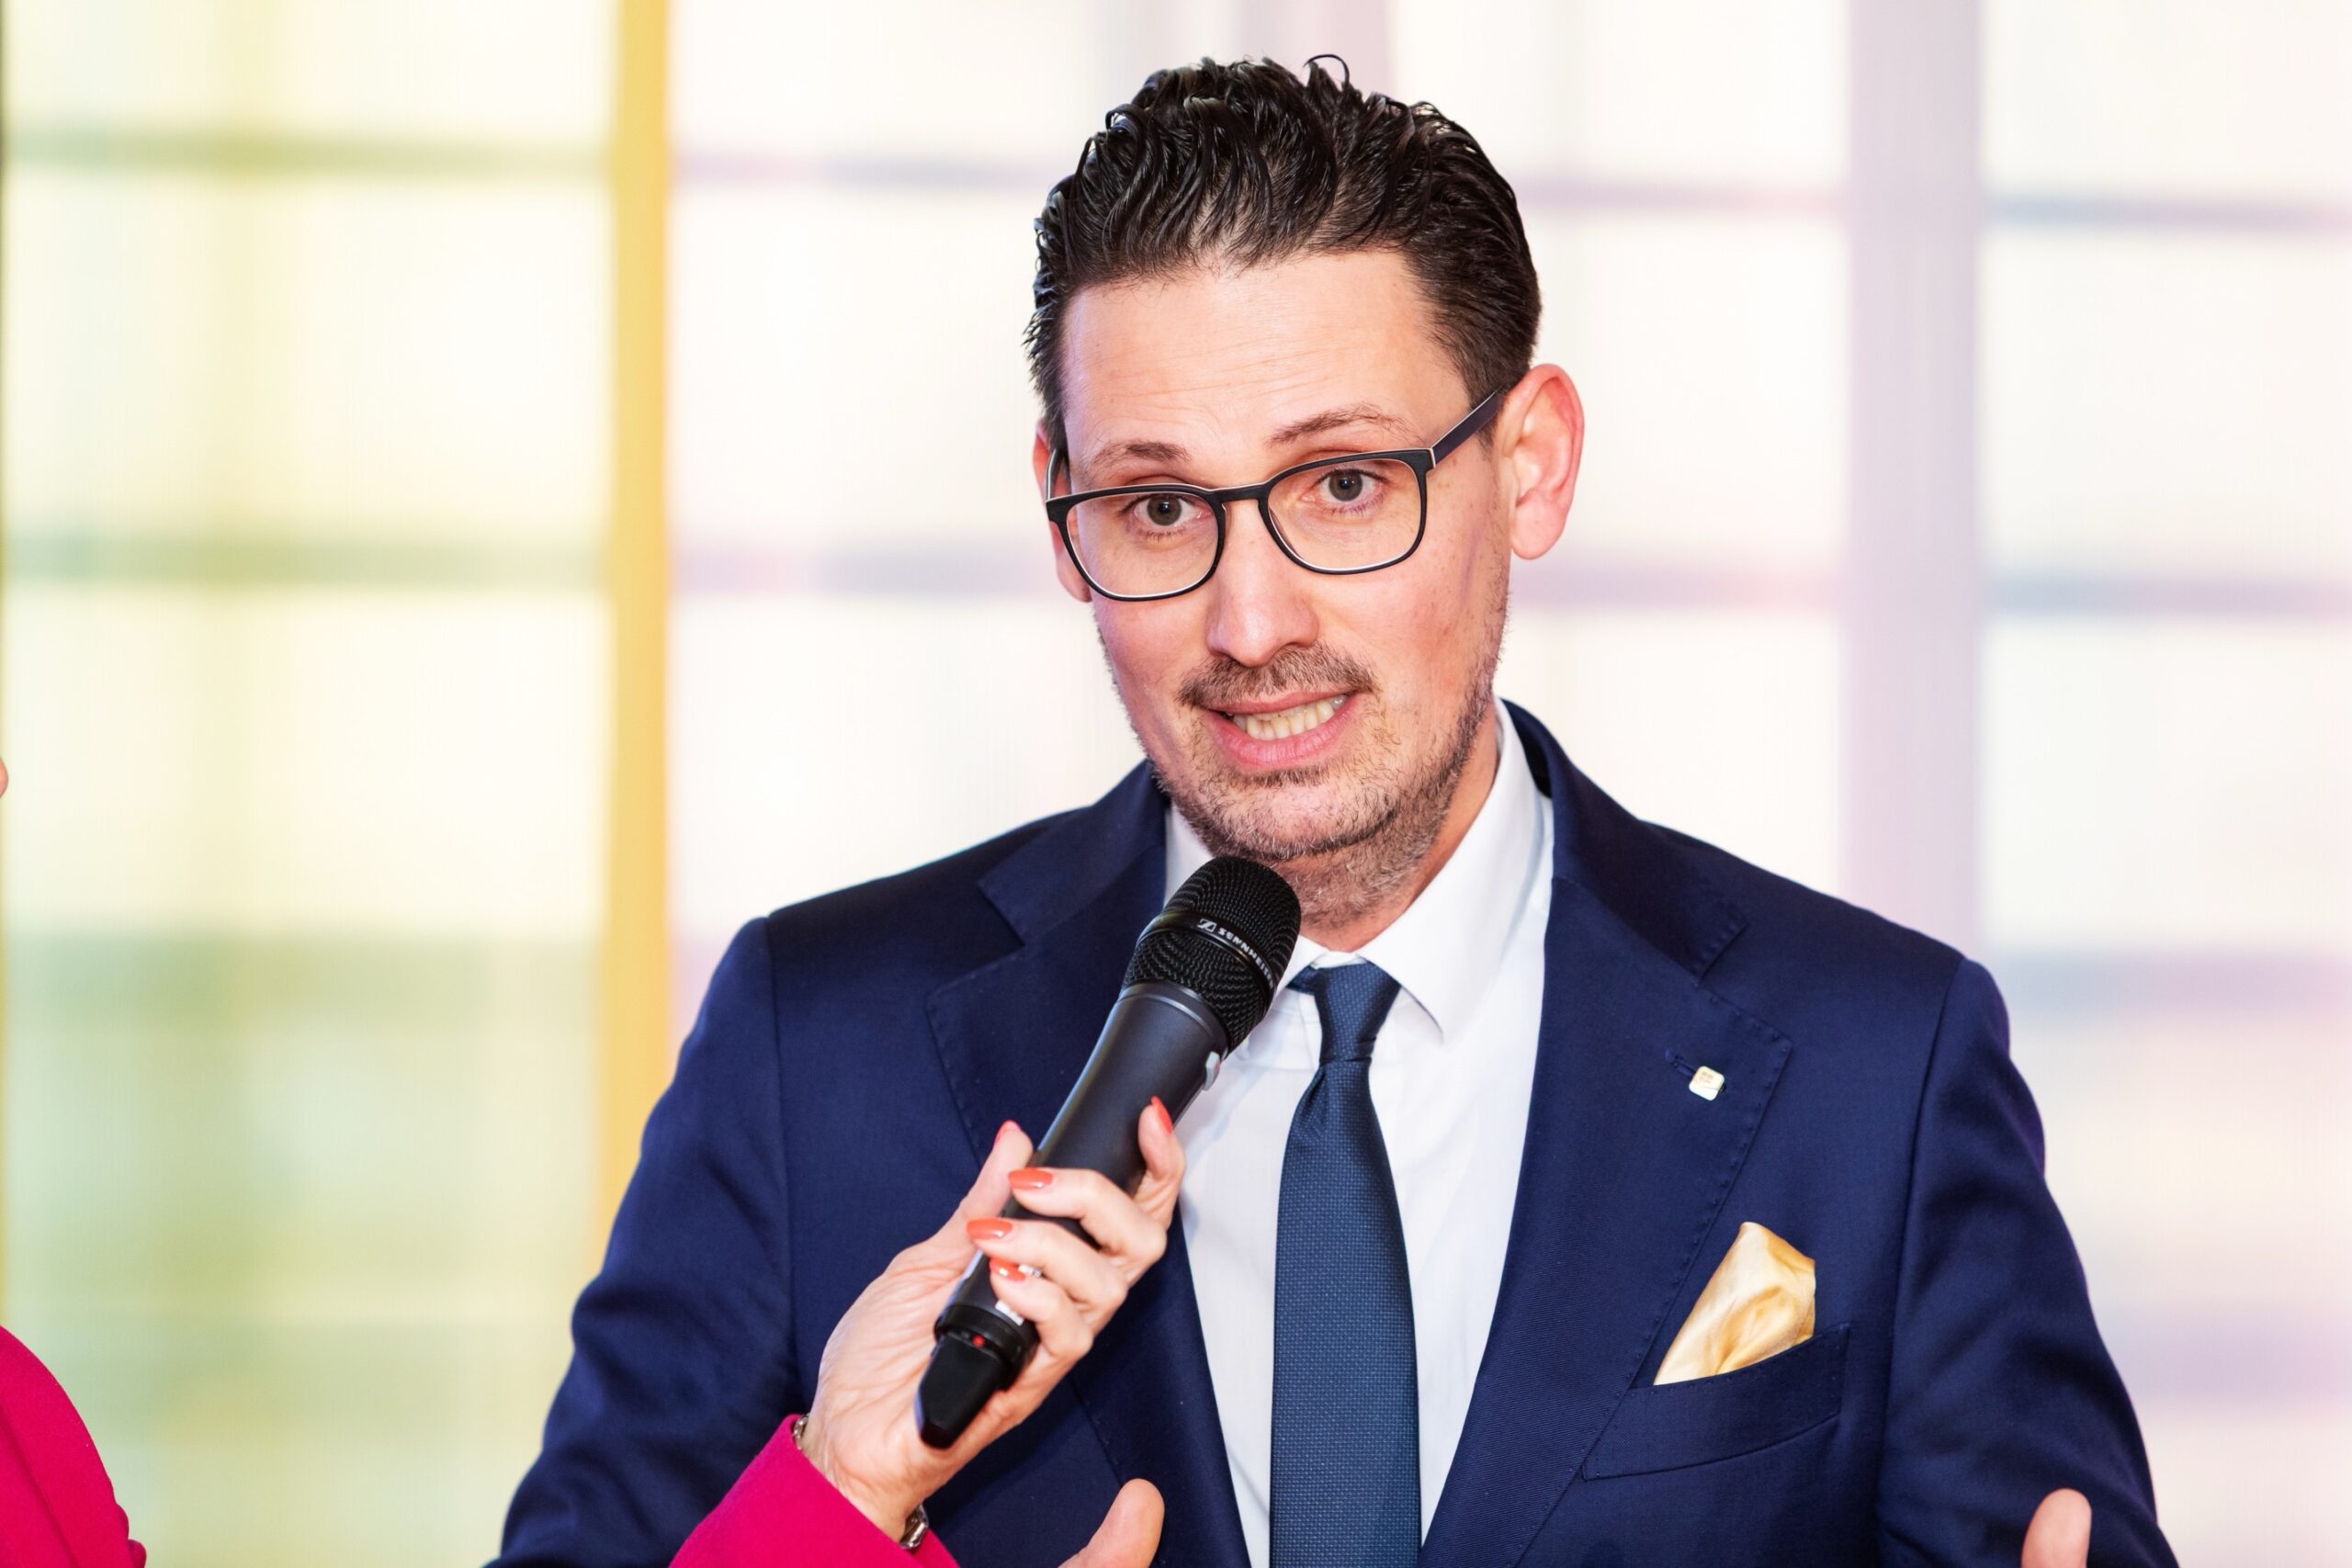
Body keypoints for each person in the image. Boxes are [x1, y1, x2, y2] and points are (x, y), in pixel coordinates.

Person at [495, 57, 2172, 1568]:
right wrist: (840, 1510)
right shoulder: (814, 1049)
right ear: (1062, 507)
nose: (1250, 624)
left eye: (1346, 486)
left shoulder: (1877, 1064)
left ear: (1531, 464)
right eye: (1160, 508)